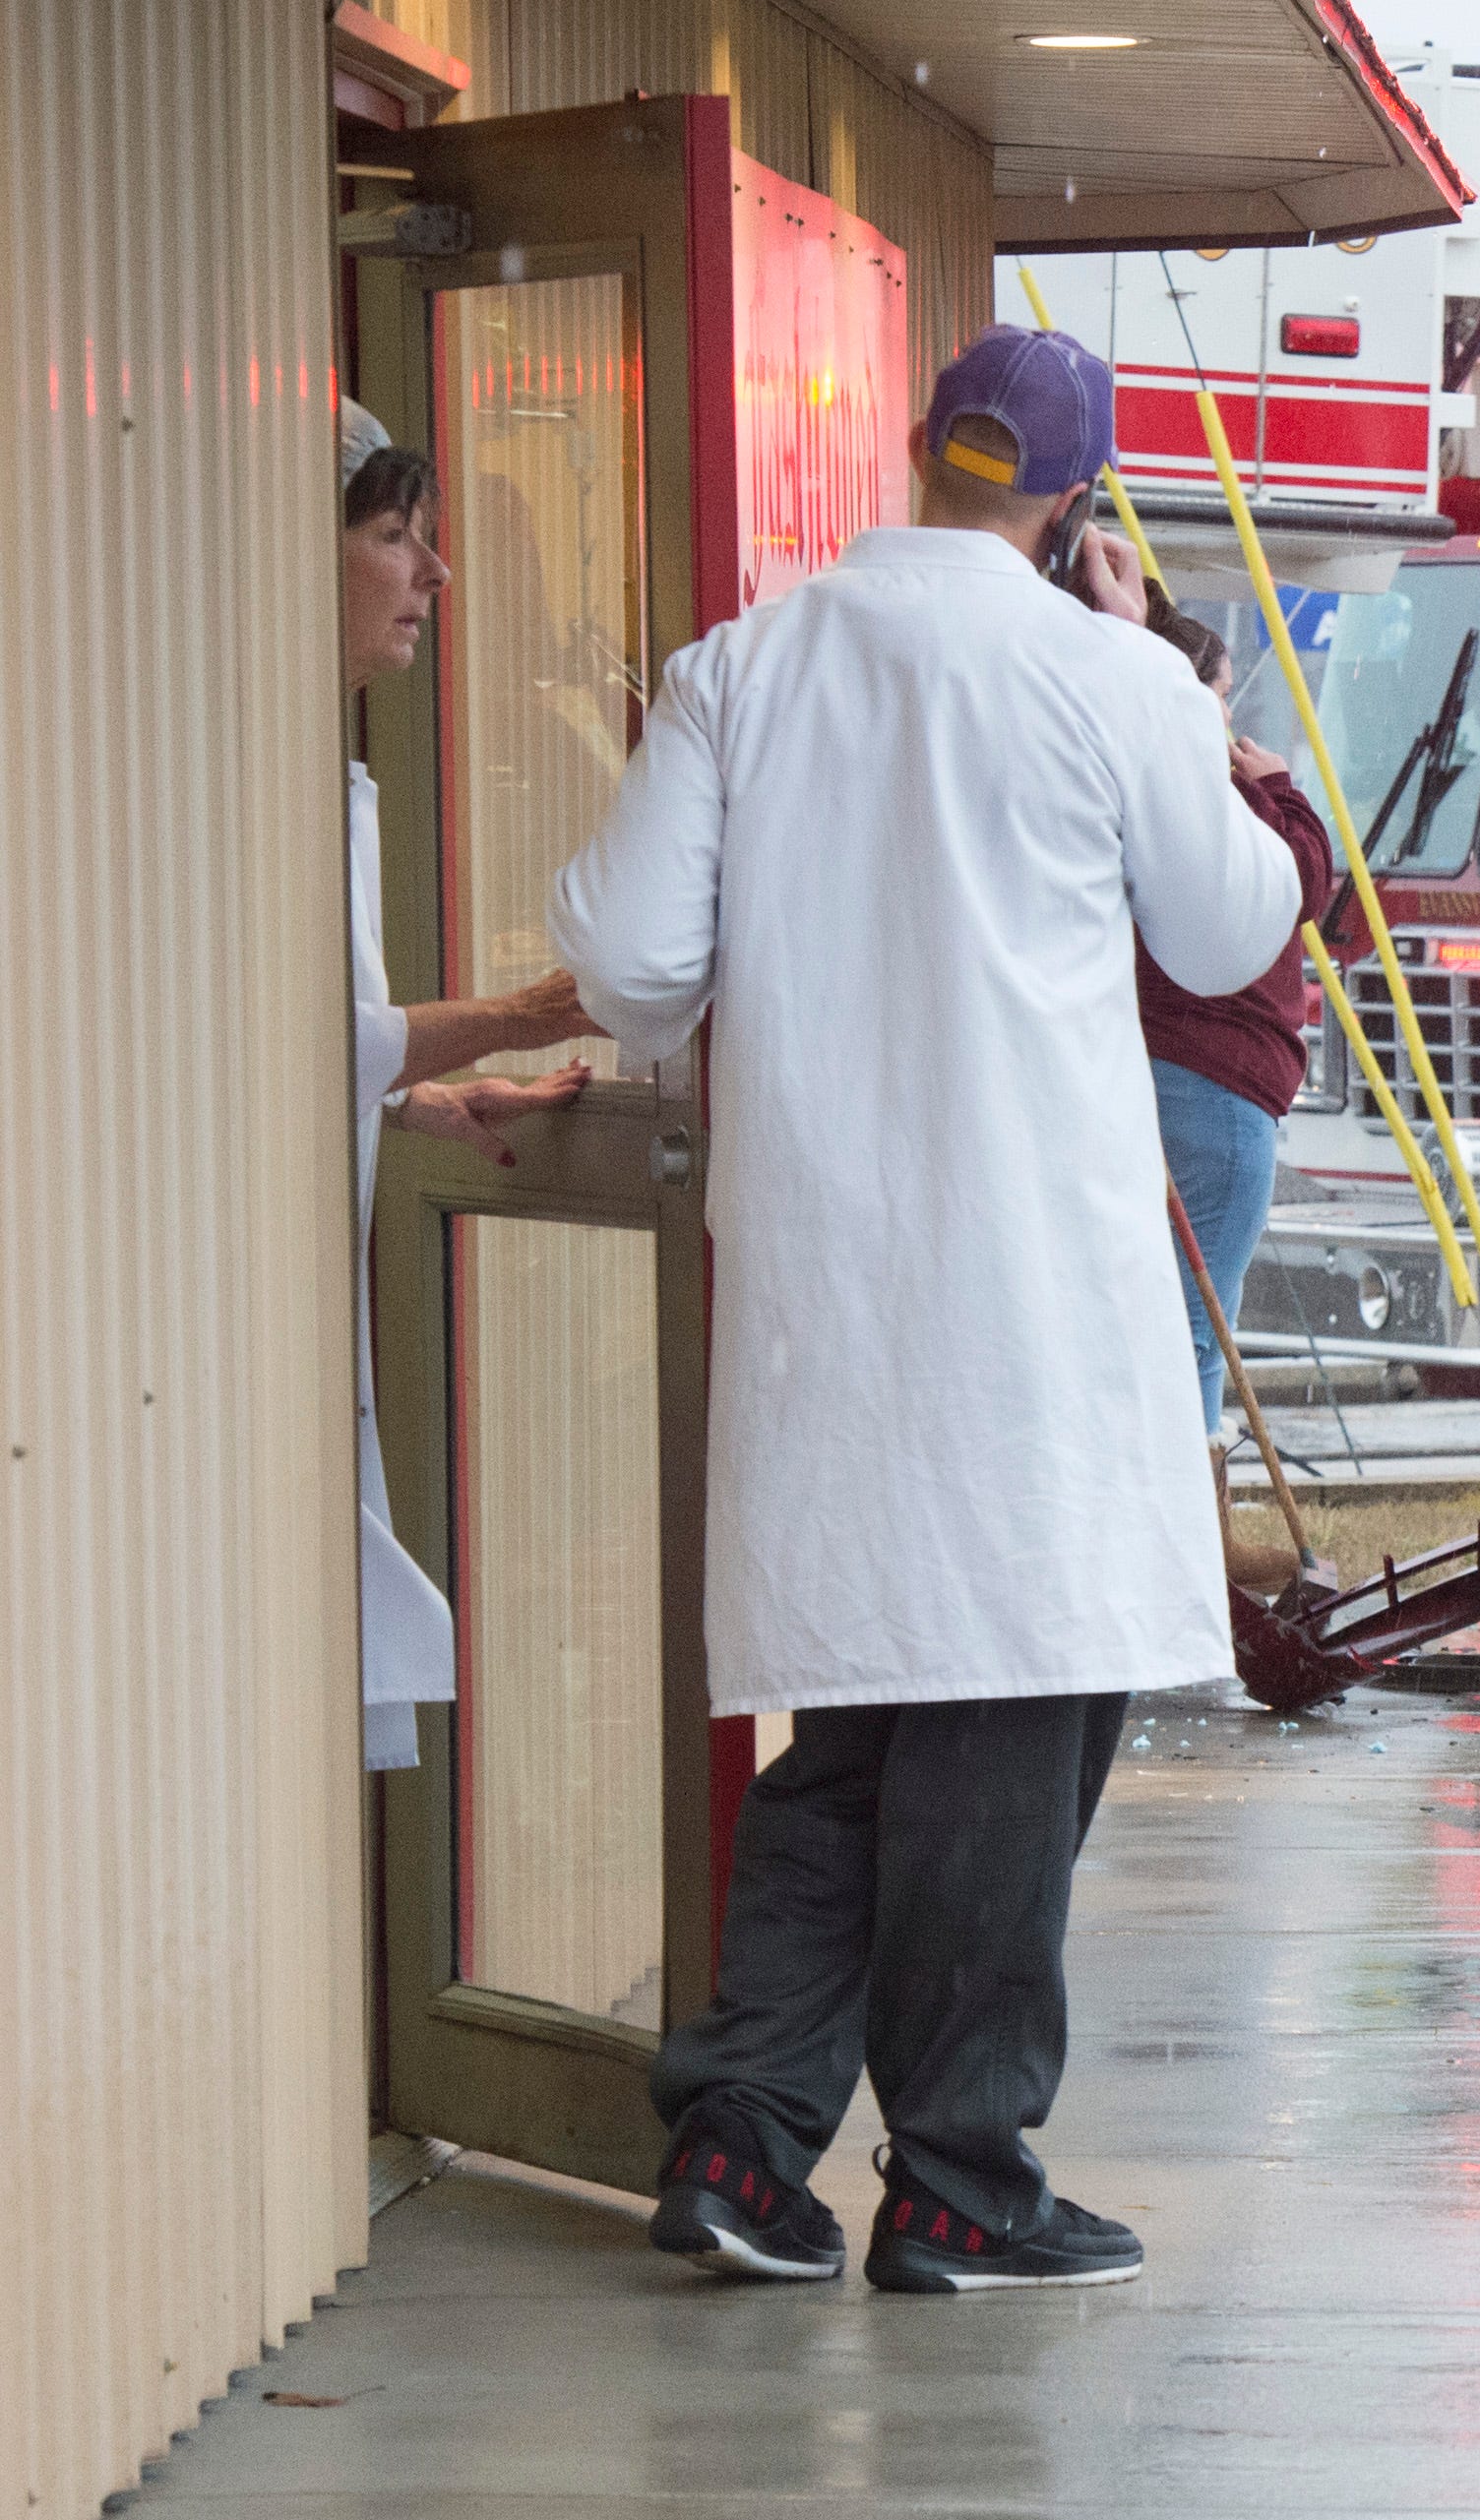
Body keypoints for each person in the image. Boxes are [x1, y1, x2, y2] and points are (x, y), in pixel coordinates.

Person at [552, 327, 1299, 2294]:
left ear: (911, 445)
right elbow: (1230, 922)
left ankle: (744, 2135)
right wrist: (1176, 698)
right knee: (1006, 1726)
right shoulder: (1108, 676)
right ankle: (963, 2173)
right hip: (1033, 1303)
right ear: (1077, 496)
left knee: (858, 1724)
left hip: (825, 1296)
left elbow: (630, 963)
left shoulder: (738, 671)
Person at [337, 400, 594, 1772]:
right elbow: (277, 1041)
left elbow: (317, 1051)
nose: (437, 574)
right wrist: (521, 1014)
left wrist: (414, 1096)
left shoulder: (326, 762)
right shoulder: (227, 774)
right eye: (397, 534)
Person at [1130, 589, 1358, 1485]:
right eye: (1224, 695)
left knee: (1162, 1310)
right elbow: (1299, 883)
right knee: (1196, 1323)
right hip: (1218, 1082)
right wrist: (1281, 787)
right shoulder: (1219, 799)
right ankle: (1191, 1515)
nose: (1231, 720)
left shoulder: (1135, 785)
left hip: (1158, 1069)